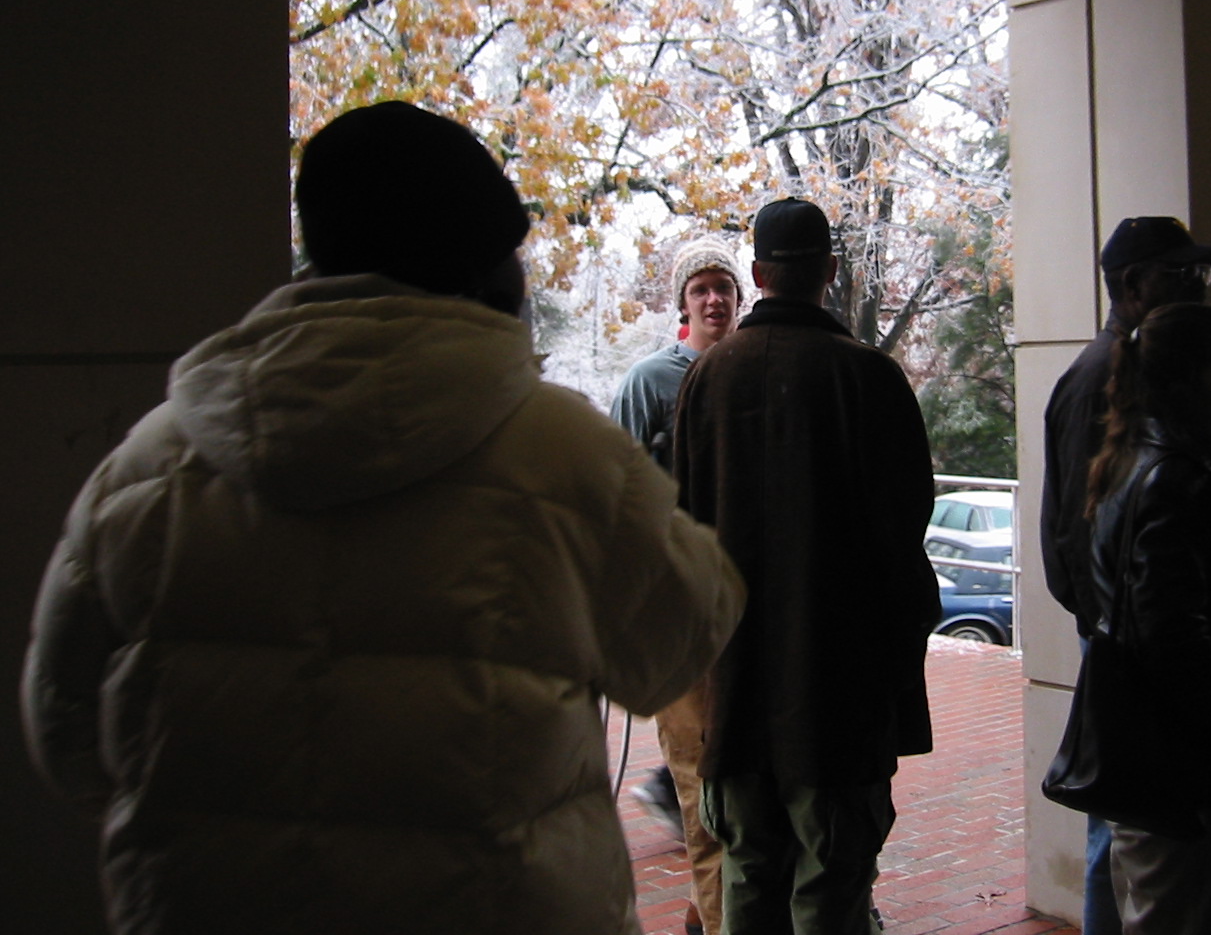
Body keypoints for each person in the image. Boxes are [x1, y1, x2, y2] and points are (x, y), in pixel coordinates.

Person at [21, 101, 745, 935]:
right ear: (485, 270)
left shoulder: (146, 470)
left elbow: (66, 733)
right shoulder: (564, 455)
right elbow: (685, 634)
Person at [674, 197, 941, 935]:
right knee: (831, 888)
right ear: (830, 270)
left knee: (747, 878)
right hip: (838, 703)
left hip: (735, 697)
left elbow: (683, 533)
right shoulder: (869, 379)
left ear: (757, 275)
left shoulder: (707, 380)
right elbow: (903, 544)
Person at [1039, 216, 1211, 934]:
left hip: (1133, 633)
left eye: (1201, 274)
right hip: (1128, 640)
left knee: (1125, 823)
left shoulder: (1137, 370)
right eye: (1181, 275)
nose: (1199, 288)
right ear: (1130, 285)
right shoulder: (1102, 379)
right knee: (1122, 828)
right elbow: (1078, 527)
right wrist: (1111, 626)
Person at [1079, 302, 1211, 934]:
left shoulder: (1136, 462)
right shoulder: (1178, 479)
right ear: (1186, 383)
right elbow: (1170, 632)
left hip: (1153, 746)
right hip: (1177, 756)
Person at [611, 236, 745, 935]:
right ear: (683, 303)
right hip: (683, 621)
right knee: (698, 784)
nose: (714, 299)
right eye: (701, 289)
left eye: (724, 286)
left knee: (746, 788)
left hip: (753, 618)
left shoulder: (754, 369)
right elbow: (620, 497)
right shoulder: (649, 383)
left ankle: (710, 913)